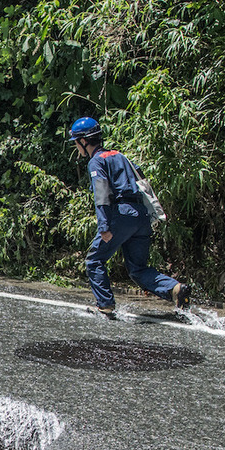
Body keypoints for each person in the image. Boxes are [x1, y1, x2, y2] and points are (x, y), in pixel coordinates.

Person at [70, 117, 189, 317]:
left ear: (83, 141)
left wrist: (104, 226)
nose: (76, 146)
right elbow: (141, 181)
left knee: (94, 261)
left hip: (121, 215)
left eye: (76, 141)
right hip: (140, 216)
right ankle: (175, 289)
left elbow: (102, 194)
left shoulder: (96, 161)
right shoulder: (120, 155)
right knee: (137, 268)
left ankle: (105, 305)